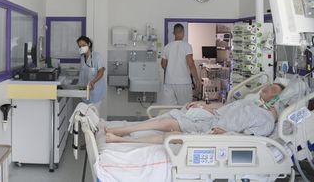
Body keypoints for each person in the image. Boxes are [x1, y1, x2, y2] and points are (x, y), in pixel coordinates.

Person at [106, 83, 285, 144]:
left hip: (217, 134)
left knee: (174, 135)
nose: (267, 88)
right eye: (269, 86)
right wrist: (203, 105)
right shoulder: (249, 101)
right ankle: (122, 129)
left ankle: (121, 139)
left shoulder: (267, 120)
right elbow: (224, 108)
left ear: (276, 99)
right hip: (212, 120)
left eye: (272, 89)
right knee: (171, 119)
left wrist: (226, 133)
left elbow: (252, 140)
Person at [161, 23, 201, 105]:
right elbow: (191, 64)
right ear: (183, 32)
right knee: (185, 108)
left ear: (173, 33)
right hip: (183, 83)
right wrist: (197, 79)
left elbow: (163, 65)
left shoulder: (167, 47)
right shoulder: (187, 46)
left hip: (169, 82)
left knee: (169, 109)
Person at [77, 36, 107, 112]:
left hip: (95, 92)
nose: (81, 47)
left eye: (83, 45)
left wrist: (93, 81)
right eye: (80, 46)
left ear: (89, 44)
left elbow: (101, 71)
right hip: (85, 93)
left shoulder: (97, 56)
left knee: (94, 117)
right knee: (86, 119)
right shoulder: (82, 58)